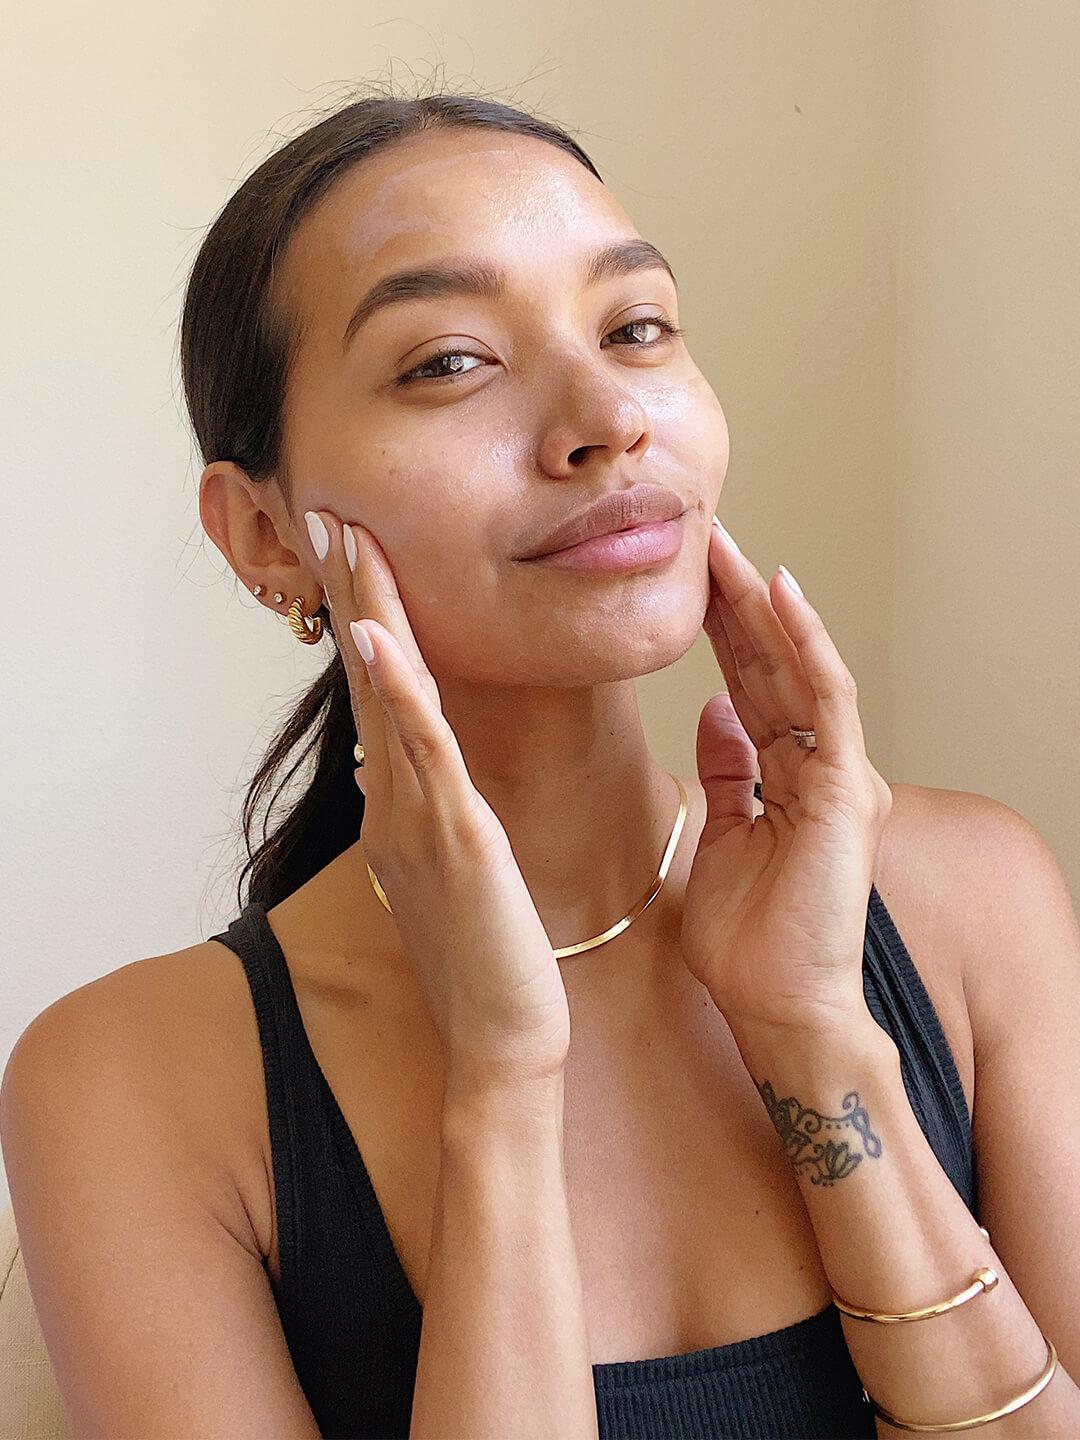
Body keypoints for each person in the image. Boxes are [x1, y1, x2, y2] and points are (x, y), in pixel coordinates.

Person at [3, 90, 1078, 1440]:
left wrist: (814, 1035)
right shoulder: (134, 1081)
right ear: (266, 536)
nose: (607, 417)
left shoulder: (969, 903)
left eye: (636, 329)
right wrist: (502, 1083)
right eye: (449, 361)